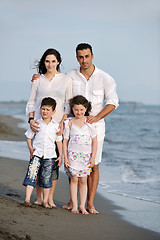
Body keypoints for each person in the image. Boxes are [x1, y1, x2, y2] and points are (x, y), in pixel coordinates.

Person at [62, 43, 119, 213]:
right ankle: (73, 201)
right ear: (76, 57)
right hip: (74, 126)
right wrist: (38, 77)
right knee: (72, 164)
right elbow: (60, 91)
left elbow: (113, 102)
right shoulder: (70, 76)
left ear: (92, 56)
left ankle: (89, 203)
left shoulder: (105, 78)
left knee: (93, 164)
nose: (84, 60)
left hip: (95, 128)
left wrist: (97, 117)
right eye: (80, 57)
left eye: (87, 56)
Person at [26, 48, 72, 208]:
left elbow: (68, 103)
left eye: (53, 61)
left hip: (57, 127)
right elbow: (31, 101)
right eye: (47, 61)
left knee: (53, 164)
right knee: (37, 162)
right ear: (43, 62)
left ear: (58, 62)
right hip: (39, 125)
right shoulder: (38, 79)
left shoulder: (66, 79)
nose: (50, 64)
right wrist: (31, 120)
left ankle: (50, 198)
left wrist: (62, 122)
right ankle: (39, 198)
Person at [23, 97, 62, 208]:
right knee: (31, 175)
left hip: (50, 156)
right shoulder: (36, 123)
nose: (44, 111)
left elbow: (58, 142)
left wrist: (61, 156)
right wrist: (30, 148)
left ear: (53, 112)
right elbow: (29, 137)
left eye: (47, 110)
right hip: (36, 154)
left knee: (46, 178)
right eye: (43, 109)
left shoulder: (55, 125)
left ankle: (45, 201)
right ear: (40, 109)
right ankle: (27, 199)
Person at [63, 95, 97, 214]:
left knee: (83, 180)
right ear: (72, 109)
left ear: (86, 109)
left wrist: (93, 158)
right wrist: (65, 157)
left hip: (86, 157)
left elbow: (95, 141)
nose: (79, 112)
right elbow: (65, 141)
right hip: (72, 155)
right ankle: (75, 206)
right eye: (76, 109)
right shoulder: (69, 123)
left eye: (82, 109)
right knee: (74, 179)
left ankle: (83, 206)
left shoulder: (90, 123)